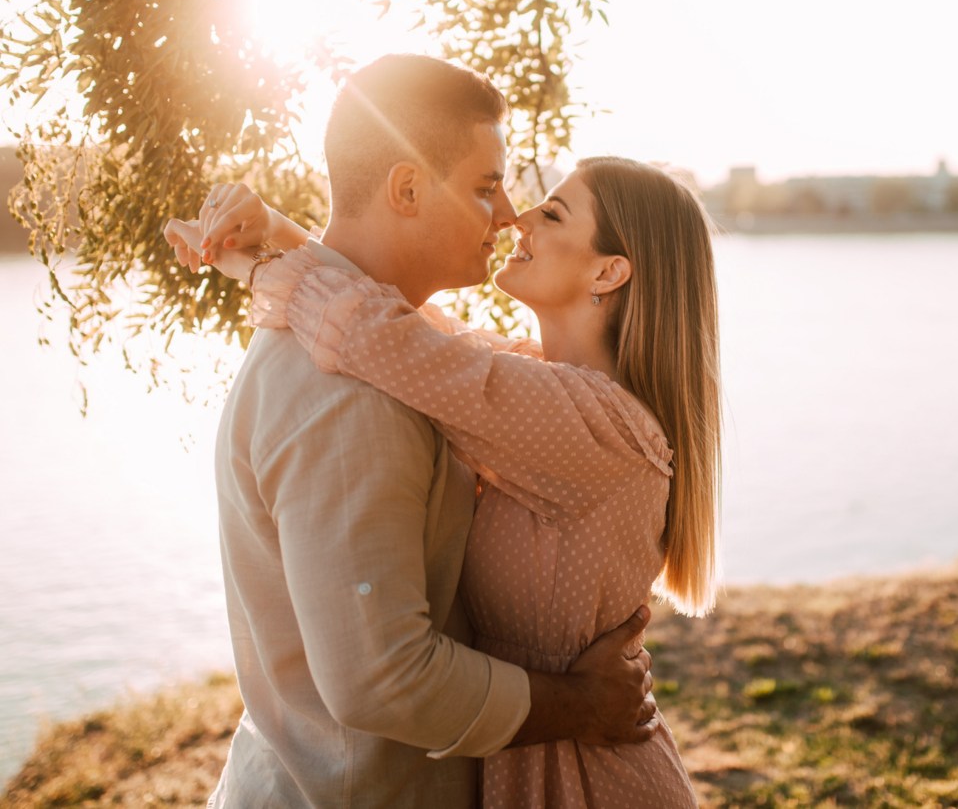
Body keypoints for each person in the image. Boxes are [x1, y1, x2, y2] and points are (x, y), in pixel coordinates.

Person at [165, 55, 659, 808]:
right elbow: (383, 678)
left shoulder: (393, 354)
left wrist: (272, 247)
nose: (507, 217)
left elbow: (421, 337)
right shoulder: (351, 394)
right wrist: (584, 705)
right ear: (406, 189)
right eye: (487, 187)